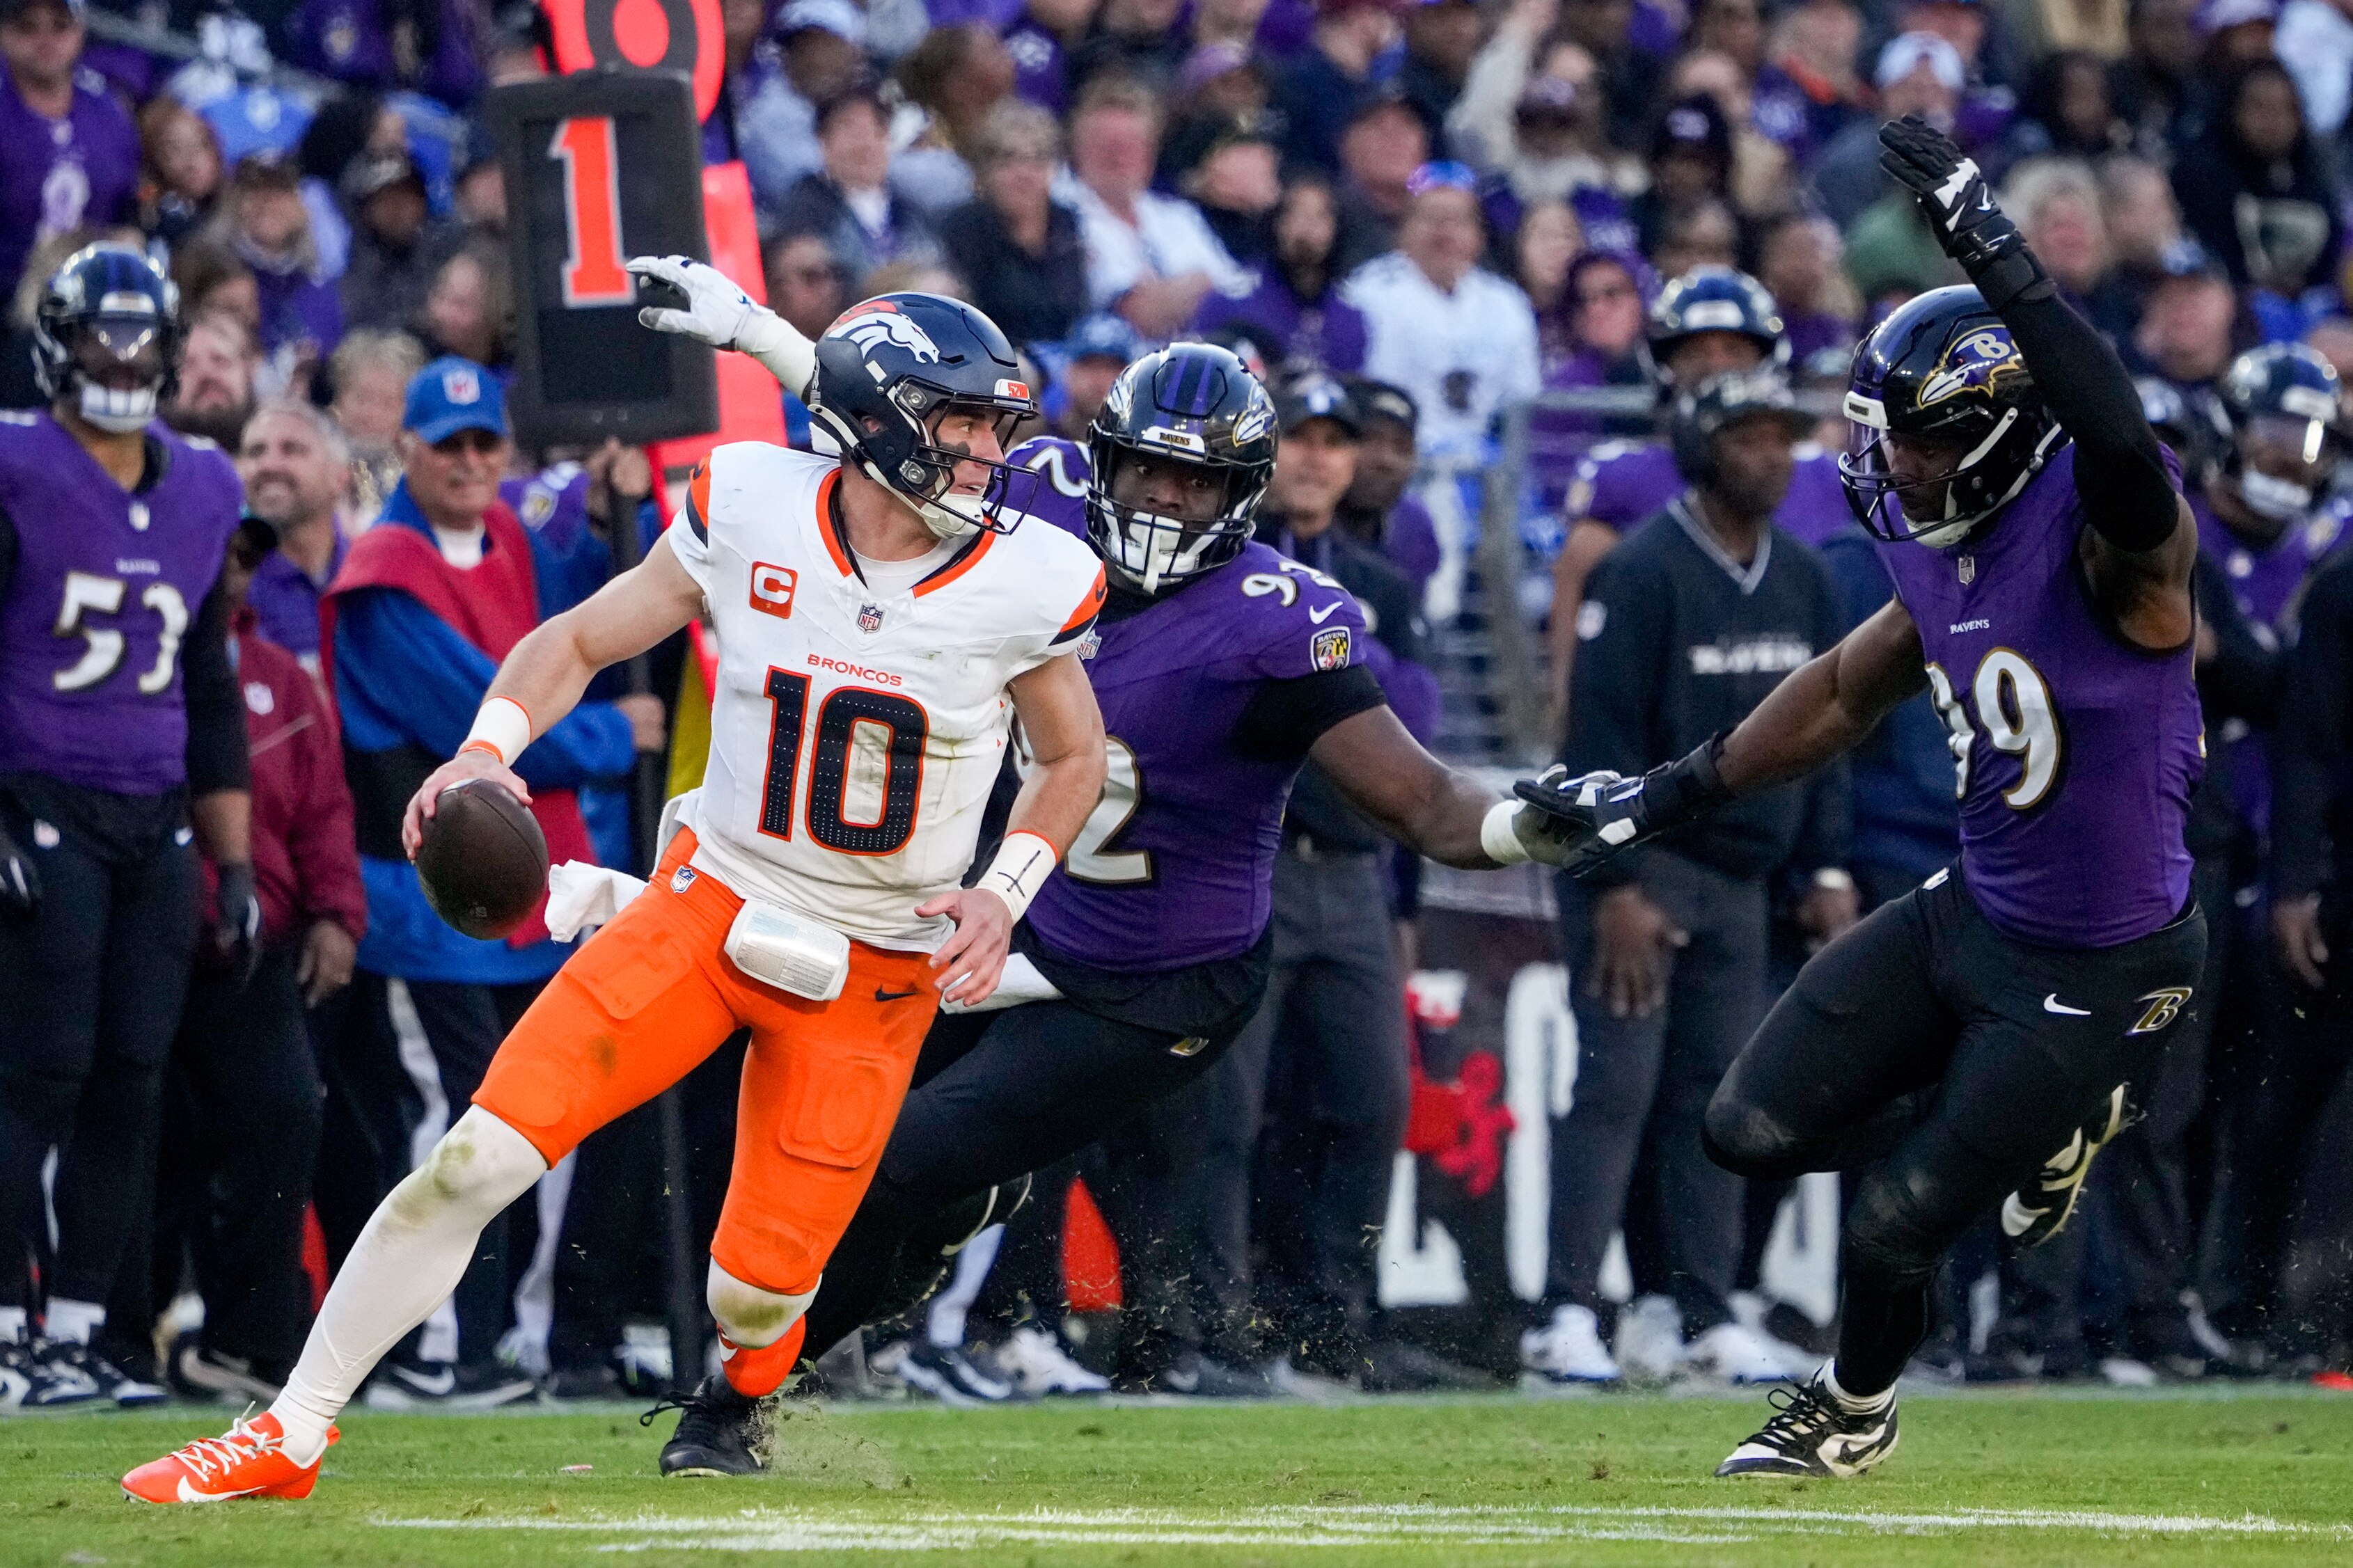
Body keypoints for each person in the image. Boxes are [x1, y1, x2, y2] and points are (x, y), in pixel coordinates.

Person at [126, 264, 1112, 1501]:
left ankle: (743, 1394)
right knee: (475, 1156)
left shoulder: (1028, 573)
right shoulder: (753, 502)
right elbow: (582, 639)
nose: (986, 453)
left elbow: (1073, 755)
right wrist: (486, 750)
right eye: (963, 423)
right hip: (708, 903)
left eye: (993, 426)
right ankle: (291, 1431)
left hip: (878, 959)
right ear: (886, 421)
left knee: (755, 1294)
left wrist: (1006, 886)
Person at [690, 326, 1571, 1425]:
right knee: (837, 1143)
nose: (1163, 498)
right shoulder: (1034, 498)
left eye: (1196, 481)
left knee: (902, 1160)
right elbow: (885, 432)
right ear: (1098, 458)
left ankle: (747, 1389)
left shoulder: (1280, 621)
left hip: (1155, 976)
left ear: (1241, 495)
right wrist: (761, 338)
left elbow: (1430, 802)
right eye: (1146, 467)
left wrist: (1531, 826)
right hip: (1001, 917)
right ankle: (848, 1310)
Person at [1524, 117, 2206, 1477]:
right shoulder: (1935, 543)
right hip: (1978, 910)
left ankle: (1850, 1407)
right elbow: (1841, 692)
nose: (1886, 465)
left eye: (1914, 441)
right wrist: (1652, 801)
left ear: (2004, 438)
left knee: (1899, 1220)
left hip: (2106, 949)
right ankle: (2019, 1116)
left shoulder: (2117, 543)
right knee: (1744, 1126)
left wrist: (1998, 252)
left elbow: (2116, 431)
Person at [1527, 366, 1852, 1388]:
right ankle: (1566, 1313)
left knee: (1713, 1099)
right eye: (1749, 436)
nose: (1771, 455)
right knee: (1616, 1088)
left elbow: (1833, 732)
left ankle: (1699, 1310)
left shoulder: (1806, 575)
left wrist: (1826, 865)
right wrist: (1613, 887)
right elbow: (1597, 741)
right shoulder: (1643, 570)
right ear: (1702, 446)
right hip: (1650, 869)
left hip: (1748, 879)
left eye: (1783, 437)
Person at [0, 244, 255, 1407]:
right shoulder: (18, 463)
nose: (122, 358)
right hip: (38, 797)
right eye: (101, 336)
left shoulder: (205, 482)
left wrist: (236, 853)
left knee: (131, 1076)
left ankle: (89, 1328)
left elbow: (207, 680)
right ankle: (11, 1324)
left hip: (154, 815)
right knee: (35, 1072)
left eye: (141, 339)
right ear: (59, 340)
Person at [152, 511, 365, 1404]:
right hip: (144, 927)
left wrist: (337, 916)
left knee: (284, 1116)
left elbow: (324, 809)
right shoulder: (124, 669)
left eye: (244, 556)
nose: (233, 571)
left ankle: (249, 1342)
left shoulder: (280, 676)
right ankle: (116, 1334)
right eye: (218, 549)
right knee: (136, 1134)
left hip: (251, 941)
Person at [1546, 267, 1848, 727]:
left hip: (1796, 693)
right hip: (1669, 707)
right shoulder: (1623, 473)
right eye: (1697, 350)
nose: (1716, 363)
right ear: (1664, 362)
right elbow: (1579, 594)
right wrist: (1569, 710)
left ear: (1766, 358)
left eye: (1733, 348)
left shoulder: (1820, 471)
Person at [1343, 161, 1541, 460]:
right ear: (1404, 227)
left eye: (1458, 221)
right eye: (1433, 219)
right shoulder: (1366, 293)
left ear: (1479, 233)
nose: (1445, 233)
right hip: (1397, 460)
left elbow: (1522, 401)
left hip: (1485, 467)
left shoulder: (1508, 302)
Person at [1066, 77, 1248, 340]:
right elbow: (1139, 315)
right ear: (1077, 149)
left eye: (1133, 144)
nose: (1120, 156)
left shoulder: (1179, 216)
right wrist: (1200, 284)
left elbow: (1240, 298)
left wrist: (1172, 294)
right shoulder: (1063, 217)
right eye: (1107, 144)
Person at [0, 0, 139, 303]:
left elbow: (128, 209)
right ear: (4, 33)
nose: (45, 39)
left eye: (60, 26)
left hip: (91, 295)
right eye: (27, 27)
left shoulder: (108, 113)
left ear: (80, 30)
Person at [936, 101, 1089, 349]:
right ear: (984, 169)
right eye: (1009, 159)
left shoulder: (1067, 222)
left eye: (1038, 159)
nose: (1024, 173)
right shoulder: (964, 228)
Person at [1190, 172, 1370, 376]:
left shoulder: (1350, 315)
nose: (1307, 228)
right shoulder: (1233, 301)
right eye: (1296, 214)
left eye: (1321, 216)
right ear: (1276, 222)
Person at [771, 87, 942, 292]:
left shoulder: (912, 211)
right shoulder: (804, 213)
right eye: (851, 130)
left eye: (876, 129)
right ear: (824, 142)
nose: (865, 144)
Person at [235, 399, 354, 672]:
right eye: (256, 452)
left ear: (340, 477)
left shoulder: (372, 579)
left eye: (292, 450)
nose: (269, 464)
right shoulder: (226, 584)